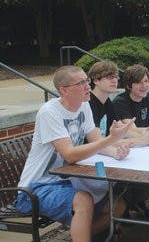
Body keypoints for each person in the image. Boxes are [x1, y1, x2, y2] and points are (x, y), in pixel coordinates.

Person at [14, 65, 135, 242]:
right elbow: (69, 154)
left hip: (68, 180)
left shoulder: (83, 106)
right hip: (35, 187)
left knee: (117, 206)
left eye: (87, 80)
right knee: (83, 200)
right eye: (81, 83)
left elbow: (95, 138)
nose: (87, 86)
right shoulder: (50, 112)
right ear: (64, 90)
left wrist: (116, 152)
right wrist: (111, 140)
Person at [87, 60, 149, 145]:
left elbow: (123, 130)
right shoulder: (88, 103)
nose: (114, 81)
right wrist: (141, 141)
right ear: (96, 80)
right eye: (110, 77)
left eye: (116, 77)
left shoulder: (107, 102)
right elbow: (97, 142)